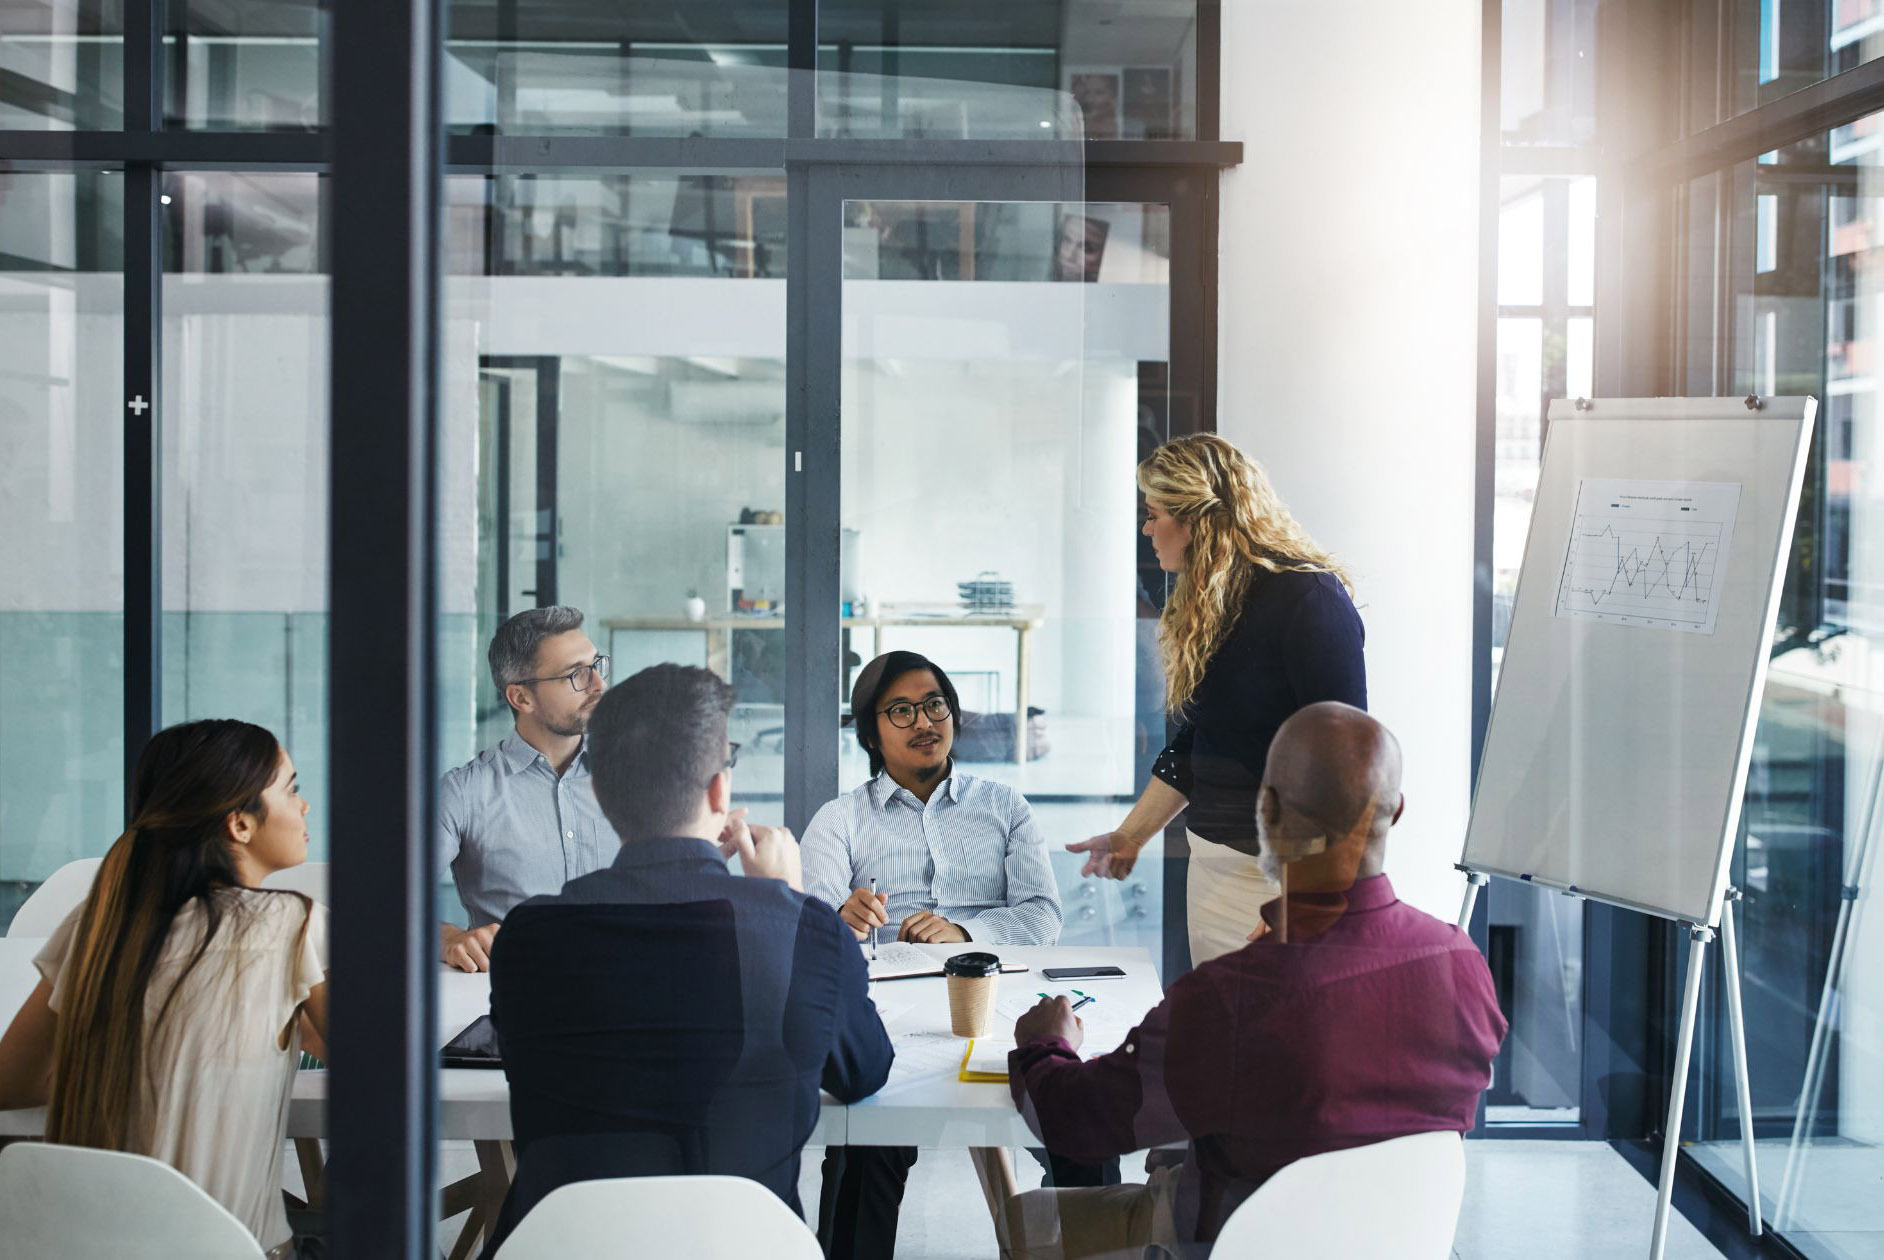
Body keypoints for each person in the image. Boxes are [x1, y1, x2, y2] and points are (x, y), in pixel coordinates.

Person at [1003, 704, 1507, 1259]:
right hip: (1397, 1241)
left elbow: (1074, 1123)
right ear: (1398, 812)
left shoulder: (1232, 995)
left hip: (1231, 1241)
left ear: (1264, 812)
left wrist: (1045, 1042)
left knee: (1026, 1222)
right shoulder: (1461, 963)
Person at [485, 664, 892, 1242]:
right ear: (719, 790)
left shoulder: (528, 937)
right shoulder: (802, 929)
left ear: (599, 791)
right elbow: (864, 1071)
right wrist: (790, 900)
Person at [0, 719, 330, 1260]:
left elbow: (10, 1086)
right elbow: (378, 1082)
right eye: (291, 789)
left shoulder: (100, 923)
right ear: (239, 825)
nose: (304, 807)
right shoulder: (293, 922)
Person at [803, 651, 1068, 1260]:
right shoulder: (839, 820)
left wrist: (962, 931)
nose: (925, 721)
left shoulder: (1004, 806)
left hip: (1002, 1013)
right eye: (901, 710)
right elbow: (811, 940)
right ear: (871, 732)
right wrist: (843, 923)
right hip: (891, 1022)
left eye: (935, 704)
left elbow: (1043, 918)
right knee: (864, 1143)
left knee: (1078, 1130)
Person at [1069, 434, 1367, 965]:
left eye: (1154, 513)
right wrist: (1130, 836)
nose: (1146, 529)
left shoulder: (1309, 599)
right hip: (1214, 865)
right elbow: (1204, 741)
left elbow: (1345, 766)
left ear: (1197, 520)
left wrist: (1309, 896)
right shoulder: (1212, 602)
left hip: (1283, 884)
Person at [438, 605, 616, 972]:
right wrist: (449, 939)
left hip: (634, 1000)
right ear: (521, 698)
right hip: (519, 1007)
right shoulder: (464, 793)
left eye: (596, 666)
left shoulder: (638, 777)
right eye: (576, 675)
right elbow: (387, 903)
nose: (599, 685)